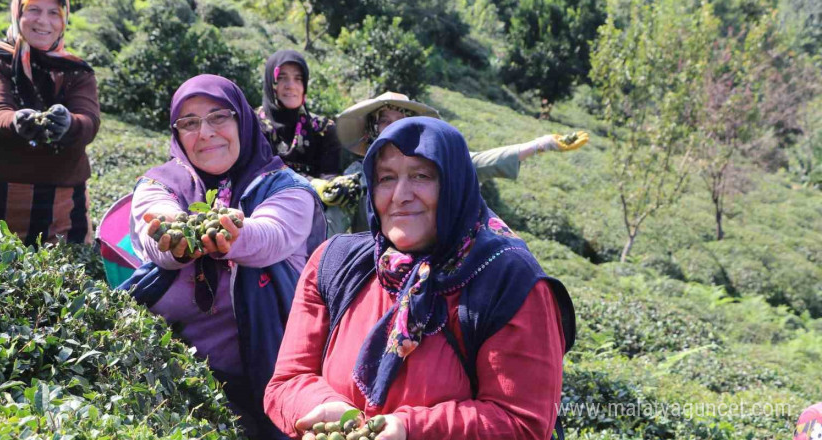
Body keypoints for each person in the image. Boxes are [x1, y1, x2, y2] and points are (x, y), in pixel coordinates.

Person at [265, 117, 576, 440]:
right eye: (386, 178)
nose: (400, 195)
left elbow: (522, 422)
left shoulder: (508, 281)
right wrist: (326, 409)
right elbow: (288, 381)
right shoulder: (334, 262)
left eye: (421, 176)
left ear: (454, 184)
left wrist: (411, 430)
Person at [126, 74, 326, 439]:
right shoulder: (159, 183)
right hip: (172, 374)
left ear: (243, 121)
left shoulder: (287, 188)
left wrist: (232, 233)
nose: (205, 132)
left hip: (272, 373)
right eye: (189, 122)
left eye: (219, 116)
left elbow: (271, 236)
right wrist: (175, 232)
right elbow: (155, 227)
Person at [329, 92, 589, 232]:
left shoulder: (433, 166)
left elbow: (480, 161)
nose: (395, 127)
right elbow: (334, 229)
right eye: (385, 120)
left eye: (402, 119)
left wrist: (541, 144)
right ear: (372, 129)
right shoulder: (356, 176)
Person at [0, 0, 99, 245]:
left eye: (53, 13)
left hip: (63, 205)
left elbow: (89, 120)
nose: (43, 21)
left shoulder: (77, 70)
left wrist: (69, 124)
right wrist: (16, 122)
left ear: (64, 20)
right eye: (34, 10)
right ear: (18, 14)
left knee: (64, 278)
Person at [257, 49, 341, 179]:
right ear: (270, 82)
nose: (291, 86)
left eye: (298, 78)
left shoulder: (323, 129)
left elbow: (329, 175)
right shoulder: (253, 125)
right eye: (281, 78)